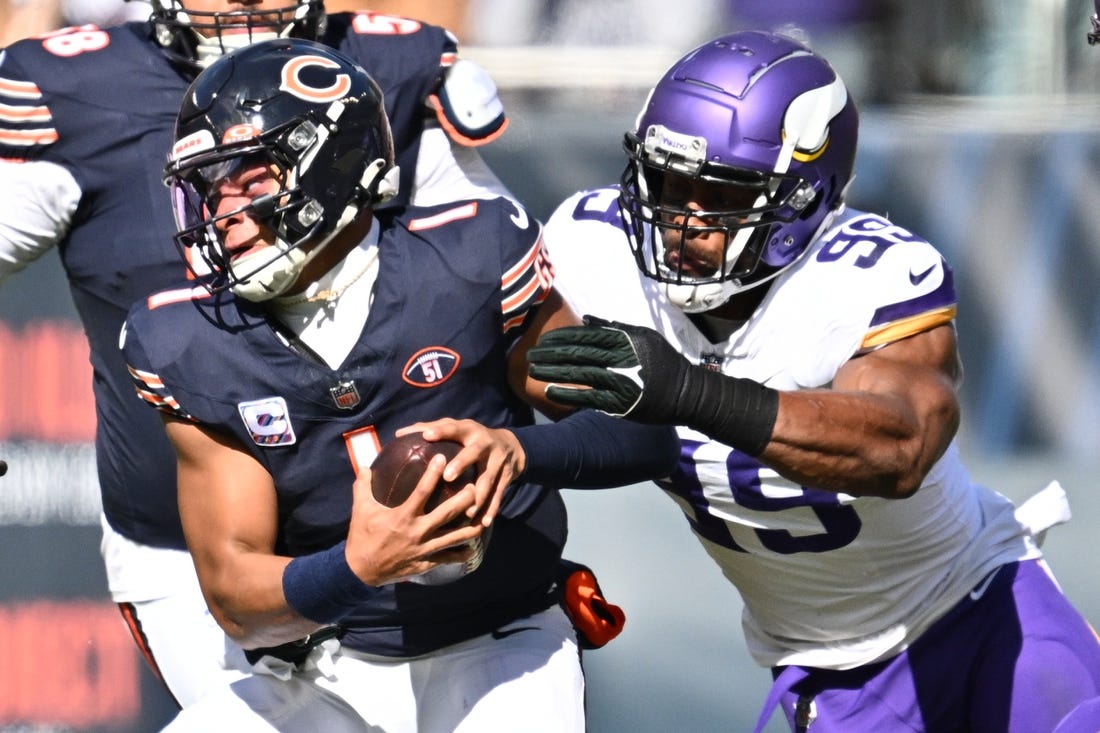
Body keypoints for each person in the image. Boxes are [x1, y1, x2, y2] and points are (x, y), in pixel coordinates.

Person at [527, 30, 1100, 733]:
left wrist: (690, 393)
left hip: (978, 609)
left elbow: (901, 447)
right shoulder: (592, 250)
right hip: (825, 671)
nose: (681, 221)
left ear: (801, 201)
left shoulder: (866, 279)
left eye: (718, 193)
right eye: (667, 183)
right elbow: (498, 395)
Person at [120, 38, 678, 731]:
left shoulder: (467, 264)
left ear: (331, 164)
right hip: (324, 662)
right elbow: (237, 596)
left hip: (499, 642)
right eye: (209, 186)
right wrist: (358, 565)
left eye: (250, 180)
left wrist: (515, 451)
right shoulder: (194, 340)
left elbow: (647, 427)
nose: (223, 212)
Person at [0, 0, 518, 708]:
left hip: (389, 519)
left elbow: (493, 282)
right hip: (184, 539)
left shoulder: (390, 64)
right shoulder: (75, 88)